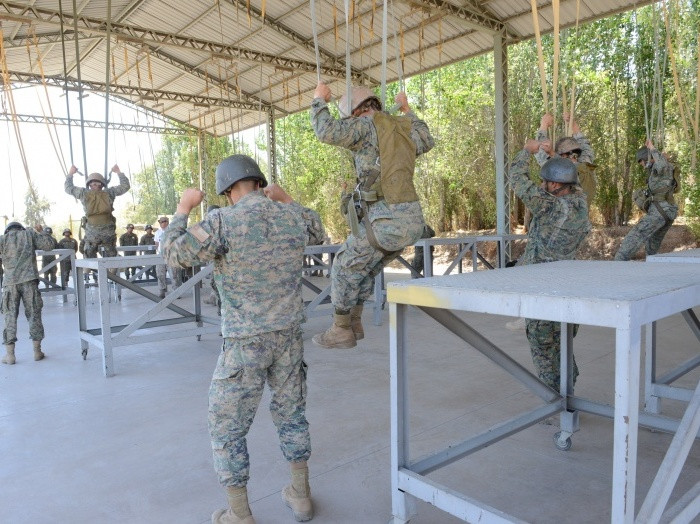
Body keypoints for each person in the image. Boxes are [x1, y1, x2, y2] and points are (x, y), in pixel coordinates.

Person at [163, 155, 323, 524]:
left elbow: (174, 254)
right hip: (288, 337)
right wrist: (286, 199)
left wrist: (183, 207)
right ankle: (300, 496)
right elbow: (317, 230)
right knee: (292, 415)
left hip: (245, 343)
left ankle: (239, 514)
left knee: (226, 425)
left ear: (227, 188)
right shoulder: (291, 216)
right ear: (257, 182)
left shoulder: (221, 220)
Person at [309, 82, 434, 348]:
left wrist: (319, 100)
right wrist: (408, 110)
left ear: (356, 111)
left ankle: (340, 329)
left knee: (343, 265)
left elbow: (325, 131)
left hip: (386, 222)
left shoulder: (365, 126)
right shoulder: (402, 128)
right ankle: (354, 321)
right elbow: (427, 138)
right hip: (412, 222)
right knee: (365, 268)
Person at [508, 141, 591, 391]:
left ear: (554, 186)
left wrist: (527, 151)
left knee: (543, 347)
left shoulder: (550, 205)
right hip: (569, 288)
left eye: (545, 183)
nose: (542, 186)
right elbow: (559, 172)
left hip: (544, 290)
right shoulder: (580, 201)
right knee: (563, 344)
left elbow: (516, 176)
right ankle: (569, 388)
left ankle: (557, 400)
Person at [0, 221, 56, 364]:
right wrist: (41, 232)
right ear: (21, 228)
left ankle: (10, 355)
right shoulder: (29, 234)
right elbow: (49, 245)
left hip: (10, 284)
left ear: (8, 230)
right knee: (34, 315)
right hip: (29, 281)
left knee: (9, 317)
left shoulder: (3, 239)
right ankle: (37, 352)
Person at [615, 140, 679, 261]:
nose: (643, 166)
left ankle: (618, 261)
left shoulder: (662, 166)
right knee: (653, 241)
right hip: (667, 212)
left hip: (660, 211)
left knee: (637, 234)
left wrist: (652, 148)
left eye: (642, 163)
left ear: (648, 158)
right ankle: (652, 263)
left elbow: (662, 164)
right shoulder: (658, 170)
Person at [64, 164, 130, 259]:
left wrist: (71, 173)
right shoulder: (104, 192)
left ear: (102, 184)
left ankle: (104, 270)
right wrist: (118, 172)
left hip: (97, 231)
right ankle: (95, 270)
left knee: (102, 256)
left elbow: (68, 188)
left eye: (98, 183)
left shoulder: (86, 193)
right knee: (93, 256)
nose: (96, 185)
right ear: (89, 184)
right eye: (94, 183)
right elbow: (125, 186)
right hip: (100, 231)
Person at [534, 112, 597, 211]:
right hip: (581, 223)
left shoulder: (562, 172)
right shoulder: (587, 165)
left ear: (563, 156)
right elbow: (585, 145)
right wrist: (573, 124)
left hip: (561, 222)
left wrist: (544, 125)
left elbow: (540, 150)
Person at [154, 216, 182, 298]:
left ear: (167, 222)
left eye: (163, 221)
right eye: (160, 222)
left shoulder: (172, 231)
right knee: (160, 274)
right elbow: (156, 244)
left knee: (174, 274)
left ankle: (176, 291)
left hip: (171, 255)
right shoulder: (158, 233)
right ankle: (162, 290)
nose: (161, 223)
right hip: (161, 256)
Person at [300, 205, 326, 277]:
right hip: (312, 239)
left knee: (318, 255)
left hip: (318, 238)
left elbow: (316, 229)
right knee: (308, 255)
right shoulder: (309, 216)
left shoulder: (312, 217)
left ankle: (320, 271)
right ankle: (312, 270)